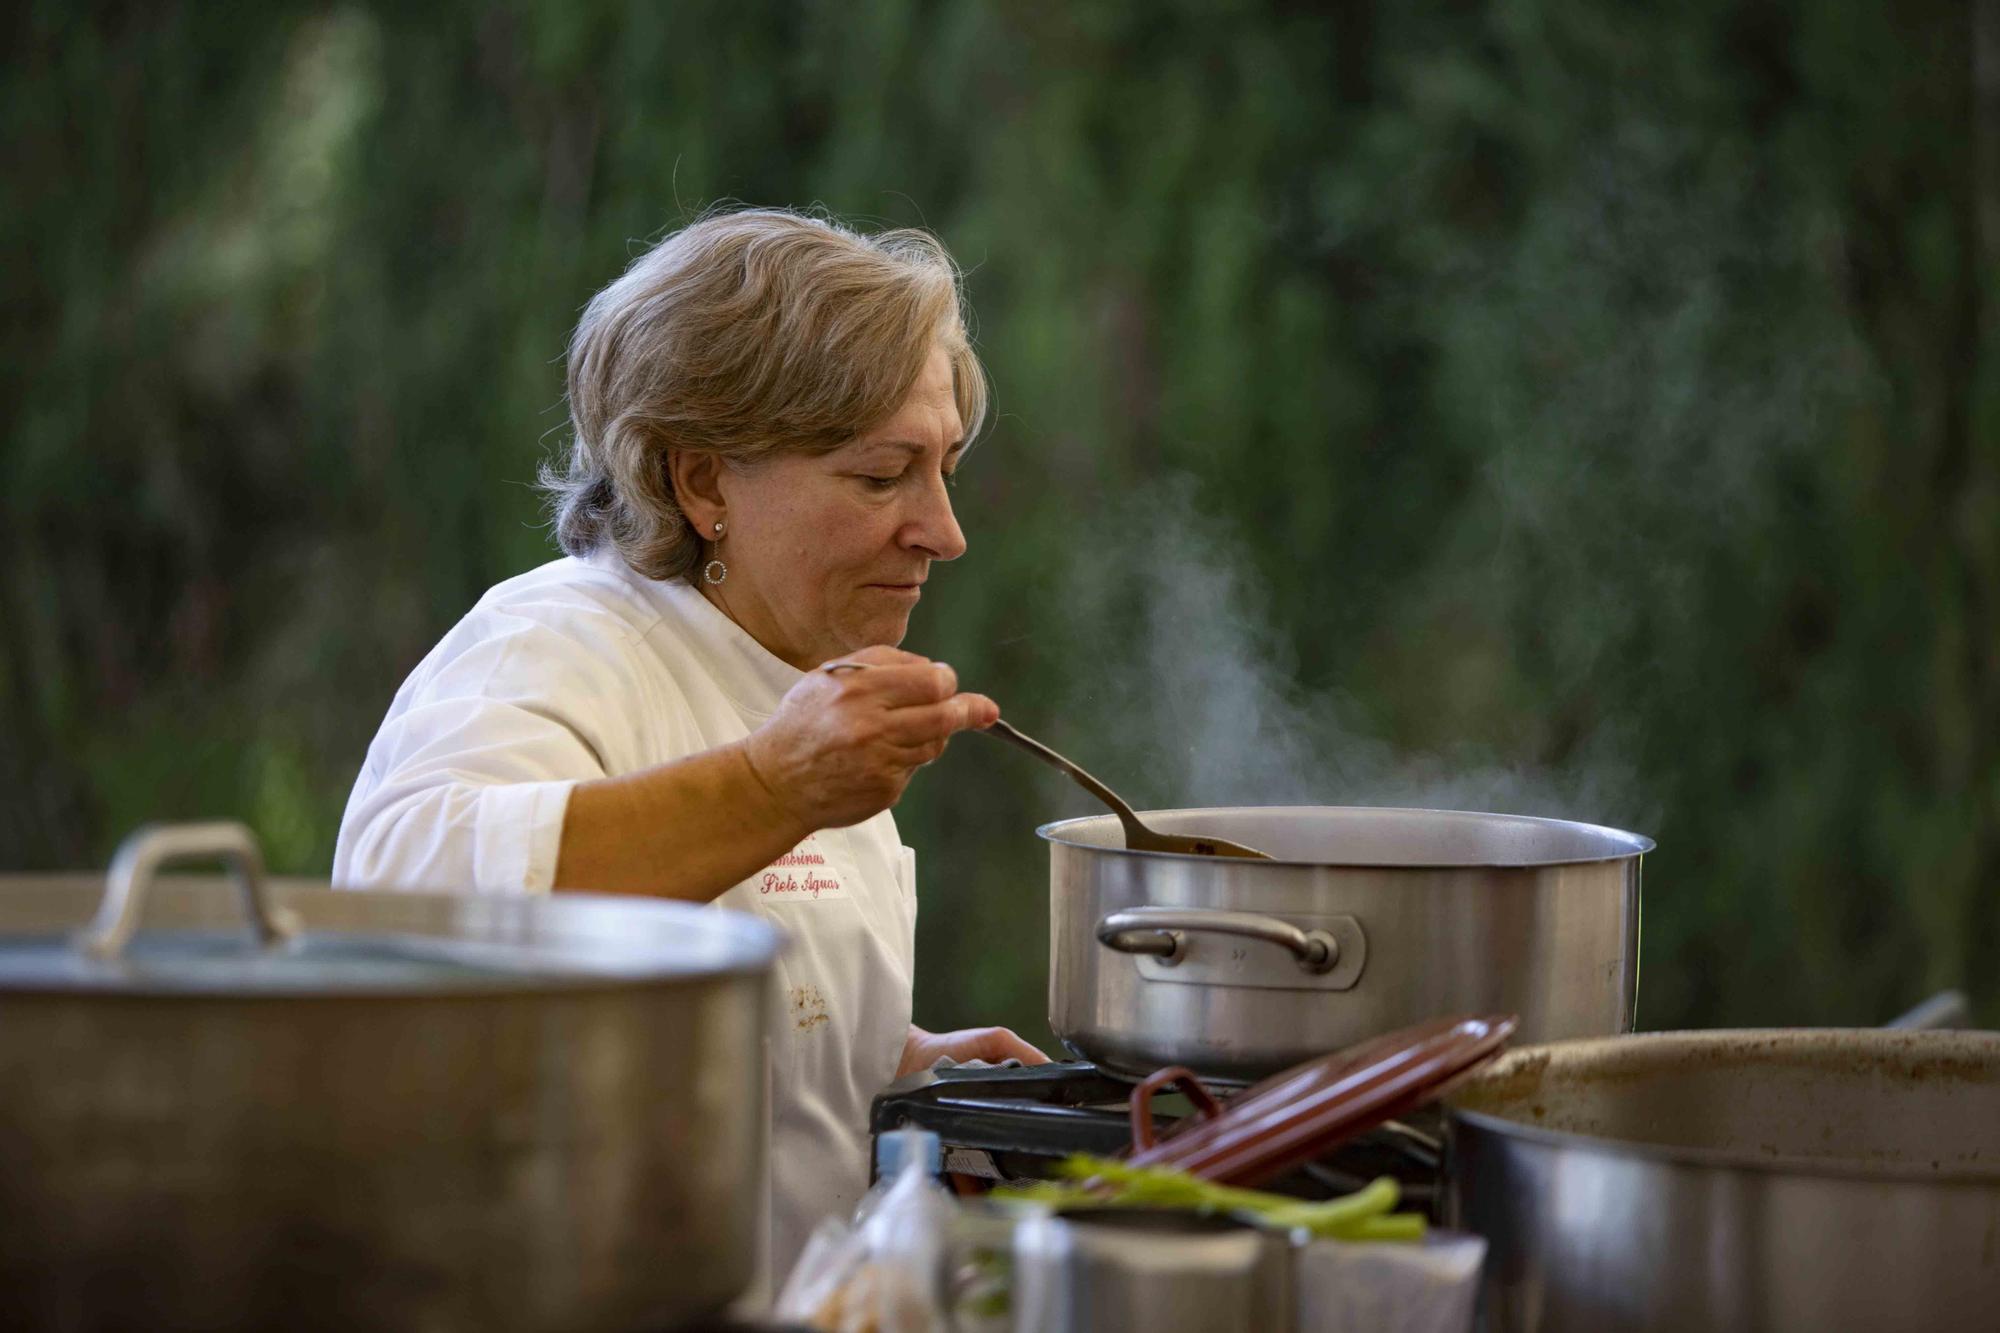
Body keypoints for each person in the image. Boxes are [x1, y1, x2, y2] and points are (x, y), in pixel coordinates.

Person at [333, 207, 1049, 1272]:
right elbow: (404, 909)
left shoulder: (787, 664)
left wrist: (878, 1068)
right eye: (879, 475)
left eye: (941, 467)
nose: (941, 531)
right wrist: (773, 785)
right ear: (701, 480)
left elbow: (695, 990)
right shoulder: (551, 644)